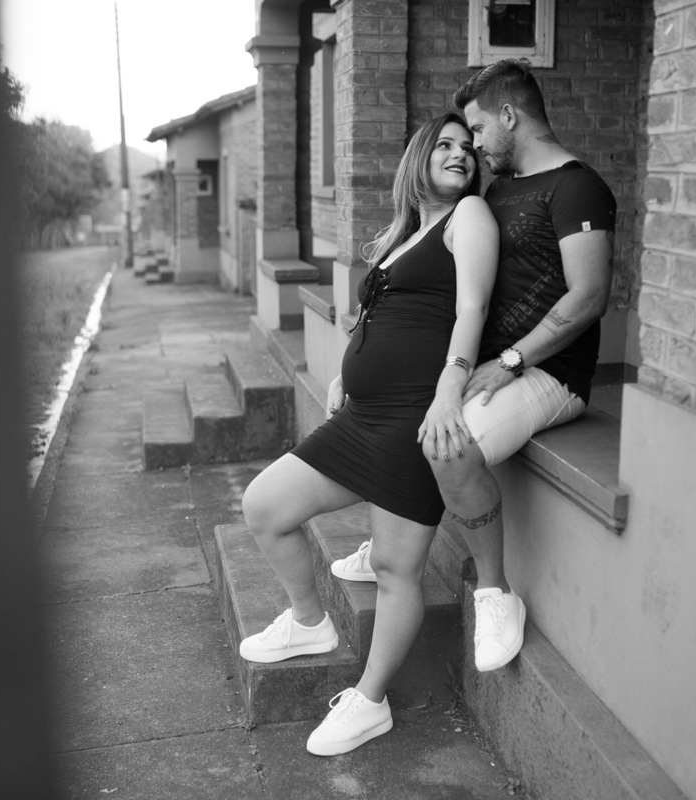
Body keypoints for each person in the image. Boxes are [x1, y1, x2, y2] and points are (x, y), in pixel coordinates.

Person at [331, 60, 617, 674]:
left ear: (509, 115)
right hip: (493, 365)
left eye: (480, 130)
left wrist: (512, 360)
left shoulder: (577, 188)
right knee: (420, 415)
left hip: (552, 373)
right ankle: (390, 547)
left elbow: (589, 295)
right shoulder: (497, 192)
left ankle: (494, 591)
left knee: (450, 446)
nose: (475, 146)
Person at [237, 112, 498, 756]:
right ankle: (308, 621)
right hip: (362, 416)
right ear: (418, 158)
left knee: (393, 567)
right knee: (264, 506)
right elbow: (376, 316)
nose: (460, 153)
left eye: (468, 147)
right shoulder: (406, 232)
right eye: (445, 144)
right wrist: (344, 375)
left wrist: (449, 388)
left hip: (414, 416)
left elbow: (471, 309)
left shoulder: (468, 217)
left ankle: (371, 700)